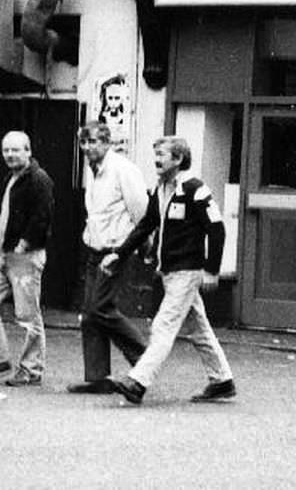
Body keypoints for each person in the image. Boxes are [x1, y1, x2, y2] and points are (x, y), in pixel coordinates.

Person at [101, 136, 235, 405]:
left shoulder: (195, 189)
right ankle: (222, 381)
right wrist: (120, 253)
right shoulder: (161, 189)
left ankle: (137, 382)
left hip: (187, 271)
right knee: (198, 328)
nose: (156, 160)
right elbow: (146, 226)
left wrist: (212, 270)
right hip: (170, 271)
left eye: (162, 154)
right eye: (156, 154)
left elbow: (217, 229)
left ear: (178, 159)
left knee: (163, 326)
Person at [69, 122, 148, 394]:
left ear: (107, 142)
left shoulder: (123, 169)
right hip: (95, 248)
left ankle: (145, 361)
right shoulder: (94, 171)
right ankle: (97, 377)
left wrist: (139, 247)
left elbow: (141, 212)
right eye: (84, 143)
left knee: (100, 308)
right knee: (89, 314)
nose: (88, 147)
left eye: (93, 142)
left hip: (115, 250)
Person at [0, 129, 55, 386]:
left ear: (28, 151)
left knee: (27, 315)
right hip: (5, 253)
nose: (10, 155)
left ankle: (31, 370)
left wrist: (22, 246)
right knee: (26, 313)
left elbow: (42, 217)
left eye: (15, 149)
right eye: (6, 150)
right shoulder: (10, 178)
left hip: (24, 256)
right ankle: (2, 360)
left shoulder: (38, 179)